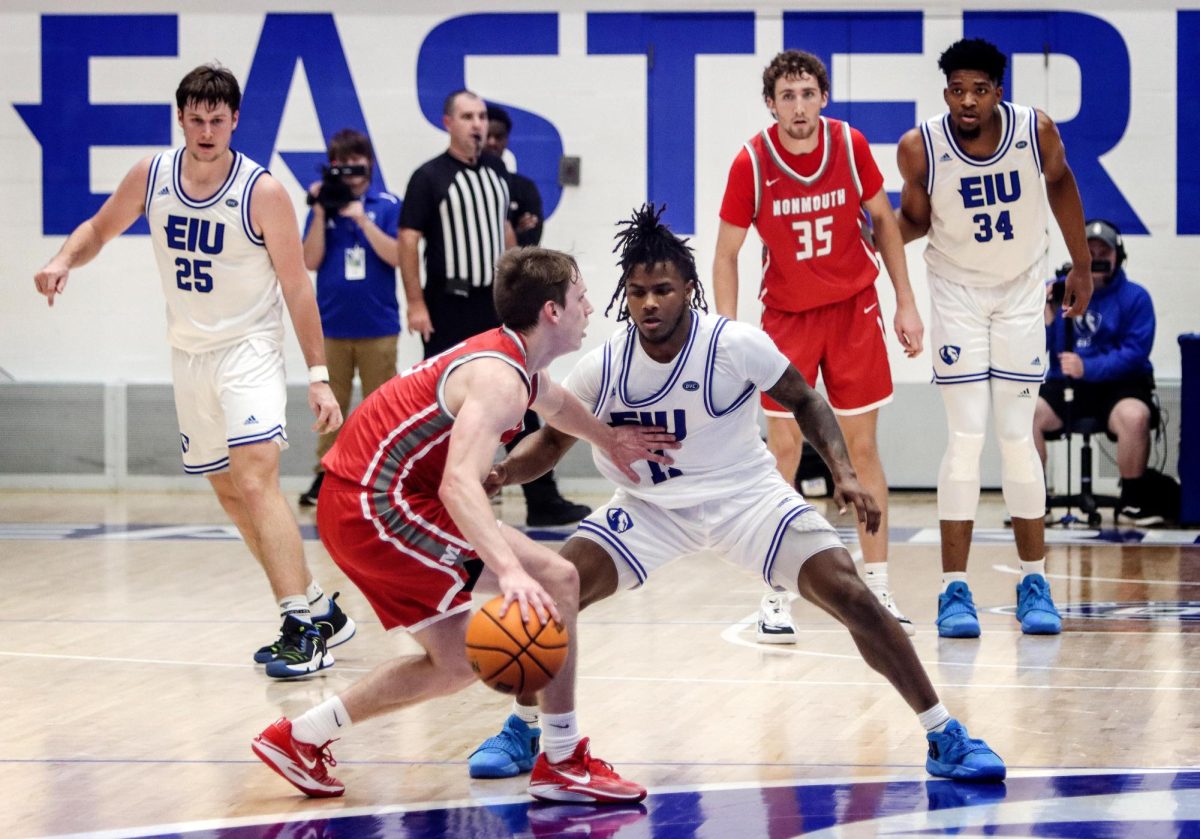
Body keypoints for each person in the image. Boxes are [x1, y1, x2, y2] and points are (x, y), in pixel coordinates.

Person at [468, 204, 1005, 789]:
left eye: (663, 290)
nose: (649, 303)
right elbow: (551, 440)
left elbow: (806, 399)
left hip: (746, 499)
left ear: (689, 289)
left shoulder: (734, 344)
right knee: (549, 593)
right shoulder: (606, 364)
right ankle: (524, 727)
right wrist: (504, 472)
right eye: (638, 291)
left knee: (851, 593)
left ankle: (943, 731)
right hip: (647, 510)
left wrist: (843, 471)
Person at [251, 247, 675, 801]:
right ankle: (564, 759)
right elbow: (457, 485)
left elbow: (556, 404)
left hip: (367, 503)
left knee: (456, 663)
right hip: (377, 503)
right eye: (580, 296)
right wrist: (509, 570)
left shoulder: (516, 363)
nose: (590, 307)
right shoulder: (499, 378)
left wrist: (611, 439)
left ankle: (300, 736)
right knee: (557, 576)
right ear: (551, 310)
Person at [33, 64, 355, 678]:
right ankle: (319, 609)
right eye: (196, 118)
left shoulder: (262, 192)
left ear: (235, 121)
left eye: (218, 119)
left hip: (249, 352)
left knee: (256, 477)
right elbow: (101, 228)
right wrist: (63, 259)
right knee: (232, 492)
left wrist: (318, 372)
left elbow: (297, 287)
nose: (206, 130)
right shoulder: (151, 176)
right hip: (189, 355)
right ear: (181, 118)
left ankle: (298, 626)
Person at [713, 50, 924, 642]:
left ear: (823, 97)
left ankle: (878, 587)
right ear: (771, 104)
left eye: (808, 93)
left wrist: (905, 301)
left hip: (854, 310)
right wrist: (727, 335)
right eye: (788, 96)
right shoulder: (752, 162)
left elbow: (885, 222)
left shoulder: (851, 144)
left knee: (861, 452)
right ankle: (776, 592)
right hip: (786, 319)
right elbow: (725, 255)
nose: (799, 106)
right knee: (781, 455)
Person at [896, 38, 1093, 638]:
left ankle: (1035, 580)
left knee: (1014, 435)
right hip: (956, 293)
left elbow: (1061, 185)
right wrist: (866, 238)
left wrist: (1080, 266)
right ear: (945, 93)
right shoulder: (920, 146)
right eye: (957, 89)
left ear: (999, 92)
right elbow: (915, 219)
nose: (967, 101)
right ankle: (954, 591)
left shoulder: (1037, 132)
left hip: (1018, 291)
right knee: (964, 436)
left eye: (979, 89)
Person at [399, 89, 588, 527]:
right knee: (445, 407)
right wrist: (415, 302)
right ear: (448, 122)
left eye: (481, 116)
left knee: (522, 396)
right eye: (467, 116)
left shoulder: (497, 173)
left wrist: (517, 290)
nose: (477, 124)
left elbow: (503, 232)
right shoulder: (428, 177)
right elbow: (409, 239)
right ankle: (434, 499)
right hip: (448, 304)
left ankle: (542, 497)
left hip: (493, 304)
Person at [297, 129, 401, 508]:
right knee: (330, 404)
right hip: (331, 326)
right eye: (342, 165)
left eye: (357, 164)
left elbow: (397, 255)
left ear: (369, 164)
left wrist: (363, 220)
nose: (351, 173)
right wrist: (322, 210)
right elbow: (308, 261)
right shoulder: (323, 208)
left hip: (378, 325)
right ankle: (326, 475)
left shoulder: (387, 204)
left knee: (381, 405)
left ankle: (382, 475)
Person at [1035, 220, 1161, 525]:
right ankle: (1036, 502)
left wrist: (1087, 367)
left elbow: (1135, 353)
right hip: (1069, 384)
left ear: (1118, 255)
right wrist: (1048, 317)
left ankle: (1132, 501)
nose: (1096, 258)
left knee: (1135, 417)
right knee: (1027, 412)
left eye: (1103, 251)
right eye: (1088, 252)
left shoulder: (1136, 298)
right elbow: (1050, 355)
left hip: (1120, 384)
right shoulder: (1062, 292)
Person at [485, 105, 544, 247]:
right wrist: (515, 230)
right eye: (487, 136)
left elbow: (530, 242)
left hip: (513, 268)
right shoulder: (463, 182)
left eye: (498, 137)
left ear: (506, 140)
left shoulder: (524, 187)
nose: (492, 142)